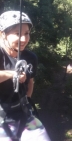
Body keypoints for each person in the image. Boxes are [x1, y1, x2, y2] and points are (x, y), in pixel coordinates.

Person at [0, 11, 51, 141]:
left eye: (26, 33)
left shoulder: (30, 57)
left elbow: (30, 82)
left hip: (22, 114)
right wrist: (11, 74)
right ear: (2, 34)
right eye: (17, 34)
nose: (24, 39)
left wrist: (26, 101)